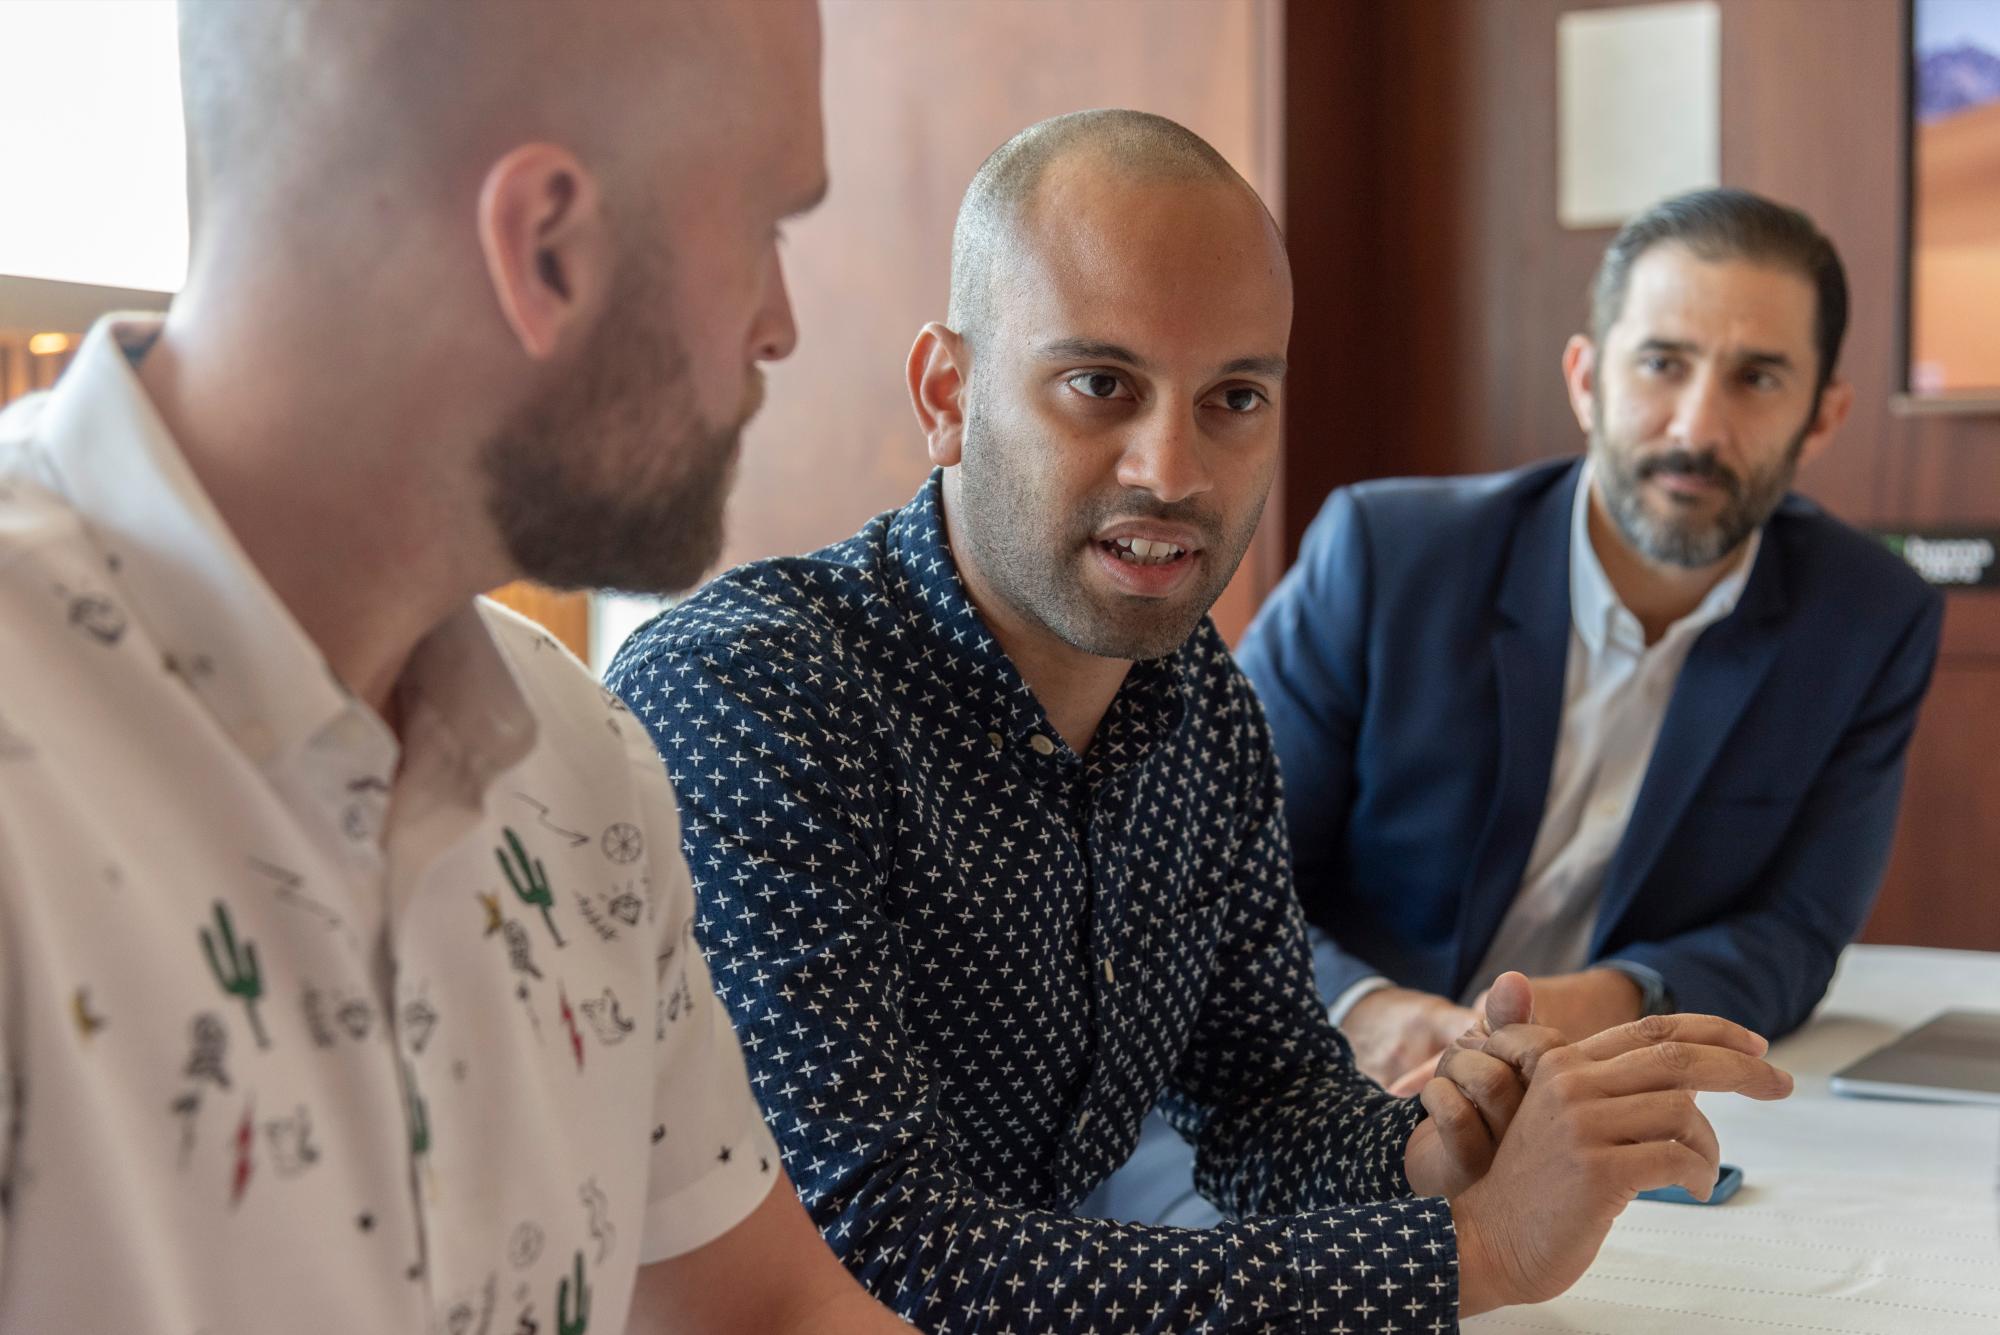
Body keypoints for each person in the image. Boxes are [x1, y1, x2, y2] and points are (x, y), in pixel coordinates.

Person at [609, 111, 1792, 1331]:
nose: (1169, 470)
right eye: (1098, 386)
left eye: (1232, 397)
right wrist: (1466, 1255)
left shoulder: (1193, 695)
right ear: (946, 393)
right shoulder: (750, 699)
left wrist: (1434, 1153)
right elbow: (882, 1257)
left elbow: (1264, 1105)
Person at [0, 2, 915, 1332]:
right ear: (544, 246)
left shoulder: (587, 768)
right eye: (766, 226)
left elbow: (765, 1309)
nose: (777, 327)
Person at [1235, 187, 1943, 1097]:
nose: (1696, 427)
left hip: (1591, 1098)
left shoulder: (1867, 620)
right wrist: (1363, 1008)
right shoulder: (1385, 556)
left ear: (1823, 418)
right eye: (1661, 363)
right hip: (1313, 1086)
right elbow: (1211, 870)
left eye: (1757, 378)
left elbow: (1796, 932)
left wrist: (1601, 1004)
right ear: (1585, 379)